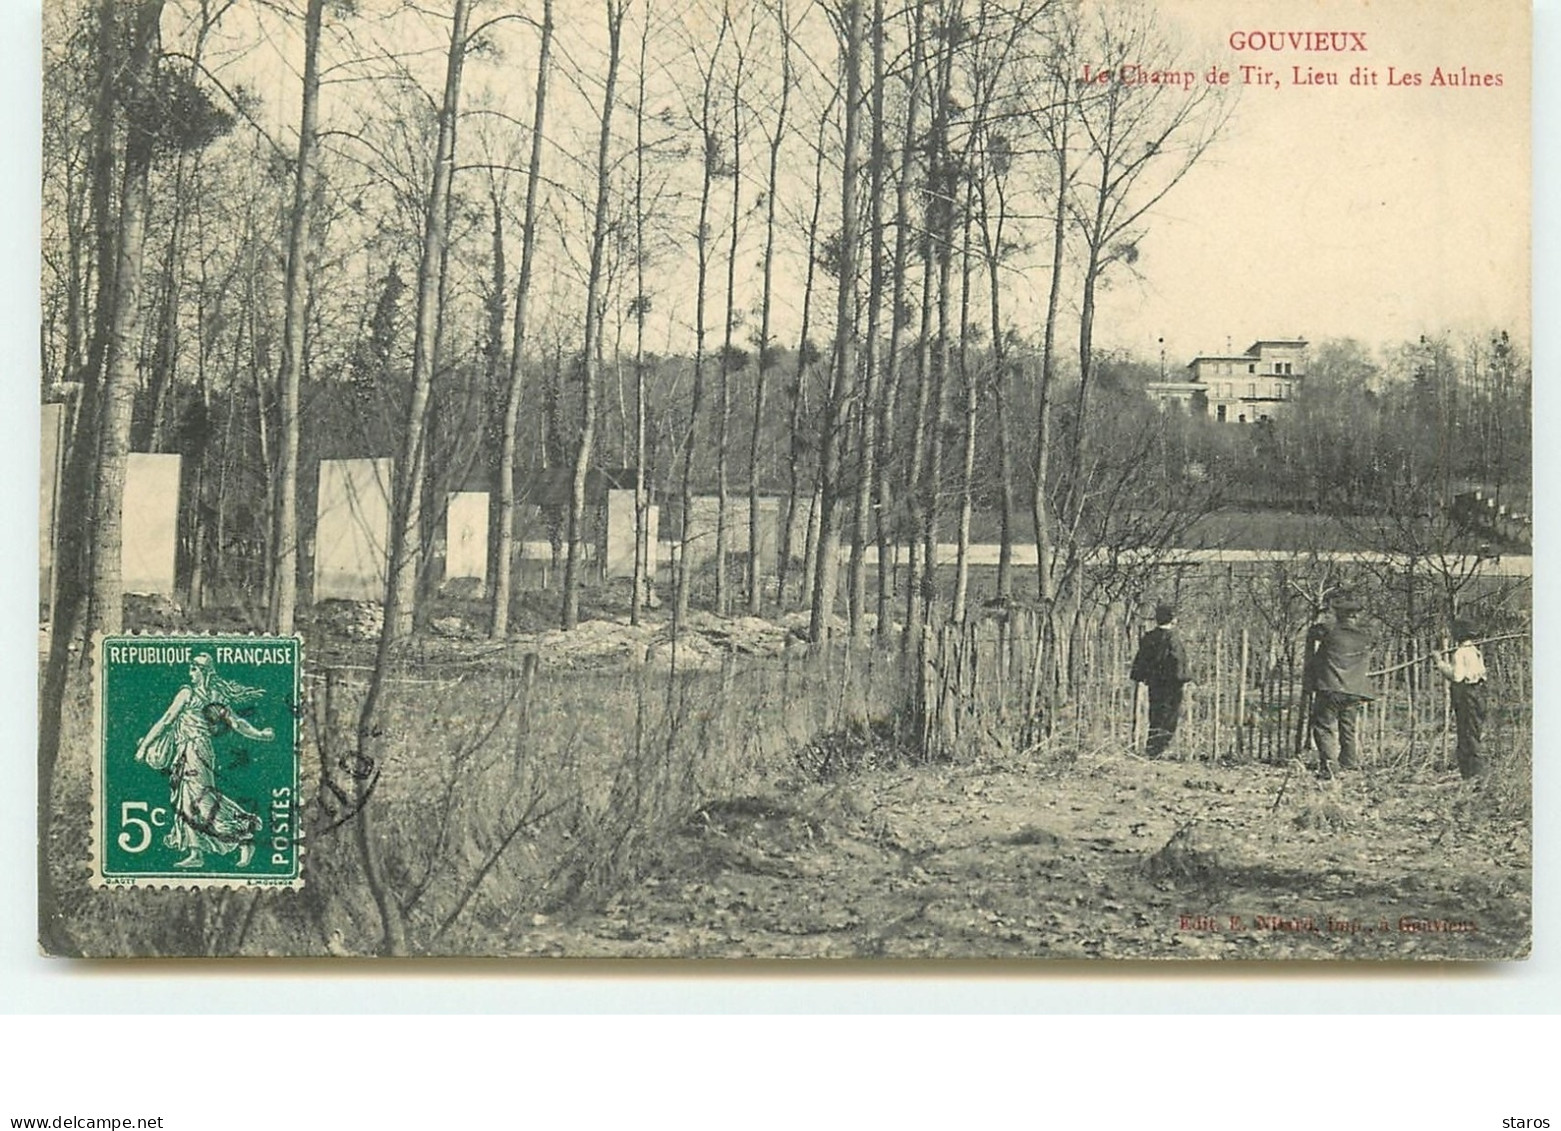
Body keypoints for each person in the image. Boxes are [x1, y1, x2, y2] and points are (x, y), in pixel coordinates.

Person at [136, 653, 274, 868]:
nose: (190, 673)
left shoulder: (189, 693)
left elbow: (166, 720)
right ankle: (196, 853)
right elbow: (237, 724)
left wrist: (145, 746)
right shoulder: (214, 694)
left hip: (195, 751)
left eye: (194, 669)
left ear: (204, 672)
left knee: (202, 801)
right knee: (186, 800)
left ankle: (243, 837)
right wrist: (261, 734)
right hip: (188, 751)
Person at [1303, 593, 1374, 778]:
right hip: (1354, 690)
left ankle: (1329, 768)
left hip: (1331, 688)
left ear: (1339, 614)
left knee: (1323, 726)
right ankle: (1349, 765)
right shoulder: (1365, 636)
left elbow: (1312, 631)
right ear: (1356, 616)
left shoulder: (1329, 630)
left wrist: (1320, 614)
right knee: (1348, 728)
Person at [1130, 602, 1193, 758]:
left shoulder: (1149, 637)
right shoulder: (1173, 638)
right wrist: (1184, 678)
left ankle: (1153, 746)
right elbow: (1178, 660)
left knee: (1156, 713)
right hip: (1172, 684)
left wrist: (1140, 676)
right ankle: (1160, 747)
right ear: (1172, 619)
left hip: (1155, 683)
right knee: (1170, 715)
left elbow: (1141, 659)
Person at [1432, 620, 1488, 781]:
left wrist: (1439, 663)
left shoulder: (1460, 653)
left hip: (1467, 696)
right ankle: (1472, 775)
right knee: (1473, 733)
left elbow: (1457, 676)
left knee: (1467, 735)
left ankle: (1474, 776)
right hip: (1478, 694)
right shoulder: (1475, 651)